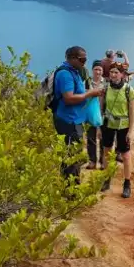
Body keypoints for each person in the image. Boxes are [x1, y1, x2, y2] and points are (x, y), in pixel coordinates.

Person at [53, 46, 104, 183]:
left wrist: (89, 93)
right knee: (71, 156)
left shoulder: (74, 71)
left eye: (86, 59)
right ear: (72, 58)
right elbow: (68, 98)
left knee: (72, 154)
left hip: (74, 120)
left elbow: (77, 92)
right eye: (82, 59)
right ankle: (71, 191)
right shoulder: (65, 74)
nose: (85, 62)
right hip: (69, 122)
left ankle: (68, 186)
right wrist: (90, 93)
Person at [101, 63, 134, 198]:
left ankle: (127, 183)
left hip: (124, 126)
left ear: (122, 74)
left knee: (126, 156)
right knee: (107, 153)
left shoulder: (129, 90)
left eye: (116, 72)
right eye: (111, 72)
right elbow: (101, 107)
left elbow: (132, 112)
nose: (113, 75)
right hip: (108, 124)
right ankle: (107, 179)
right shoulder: (106, 88)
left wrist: (131, 131)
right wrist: (99, 127)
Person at [86, 61, 106, 170]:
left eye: (100, 70)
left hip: (102, 114)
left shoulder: (106, 83)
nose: (98, 72)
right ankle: (92, 161)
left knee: (103, 138)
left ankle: (102, 161)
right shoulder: (87, 82)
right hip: (90, 114)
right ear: (92, 70)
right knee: (91, 138)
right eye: (96, 69)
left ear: (102, 71)